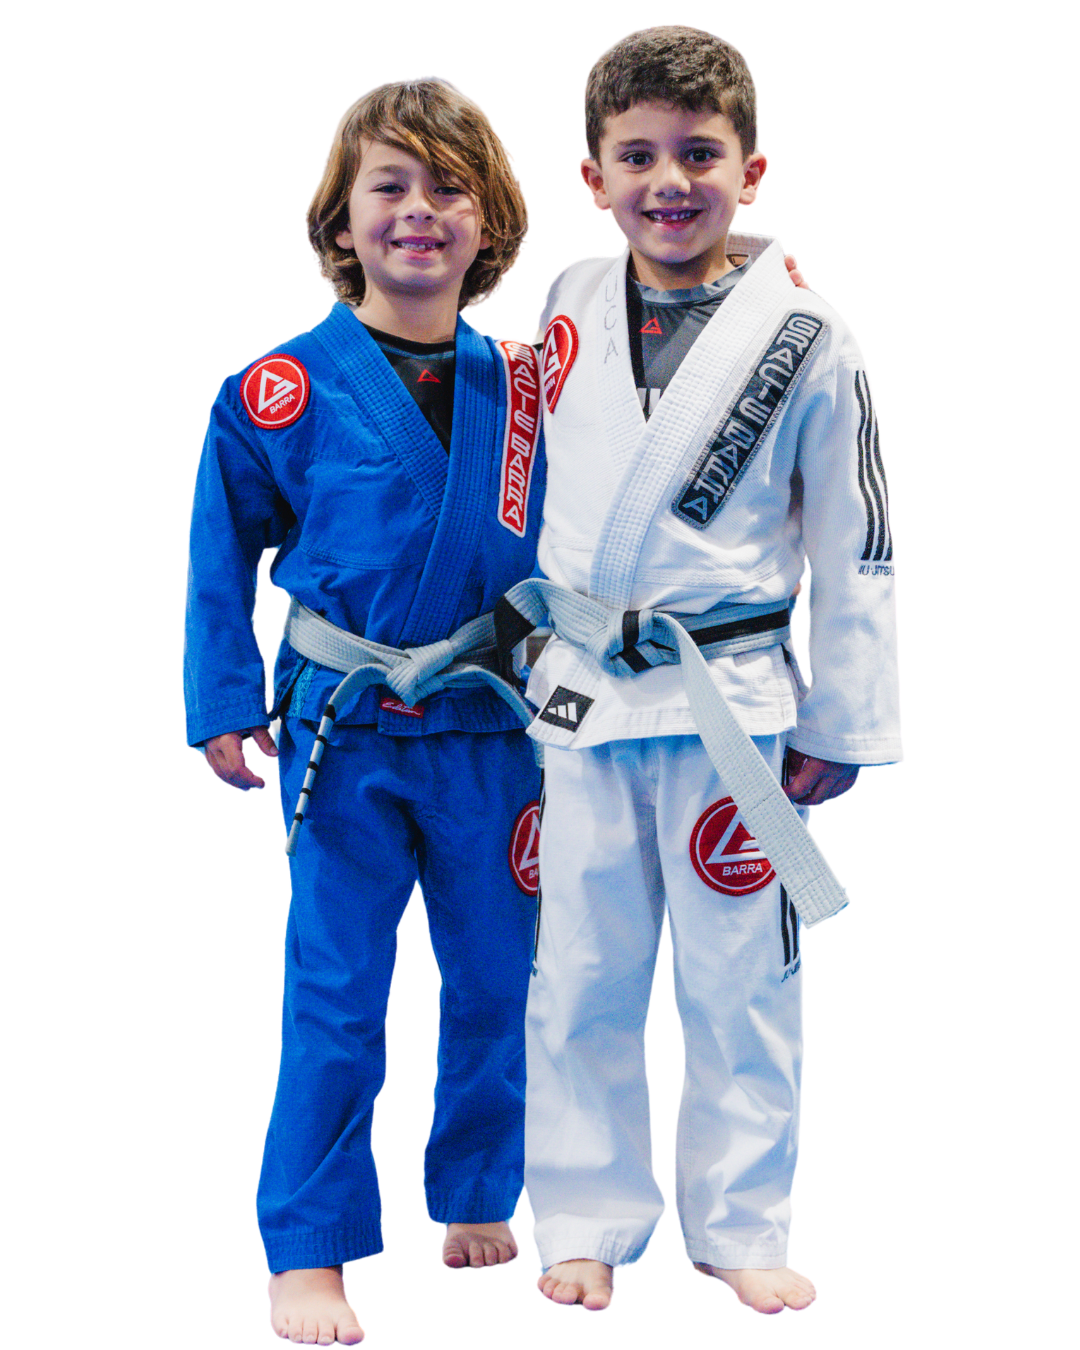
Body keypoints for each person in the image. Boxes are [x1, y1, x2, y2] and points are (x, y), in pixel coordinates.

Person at [497, 26, 902, 1317]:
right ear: (592, 179)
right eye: (637, 158)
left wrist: (844, 717)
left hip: (734, 700)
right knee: (579, 966)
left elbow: (856, 541)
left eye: (698, 155)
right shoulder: (566, 300)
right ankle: (582, 1219)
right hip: (583, 690)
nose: (669, 182)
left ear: (753, 171)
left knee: (741, 976)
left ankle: (741, 1224)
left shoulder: (809, 336)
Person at [183, 76, 547, 1346]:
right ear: (339, 220)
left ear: (490, 218)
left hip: (498, 728)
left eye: (450, 187)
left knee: (499, 979)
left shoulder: (537, 383)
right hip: (342, 733)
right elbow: (221, 556)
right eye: (388, 186)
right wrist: (224, 699)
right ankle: (309, 1247)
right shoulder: (275, 388)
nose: (419, 211)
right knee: (335, 993)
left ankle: (477, 1189)